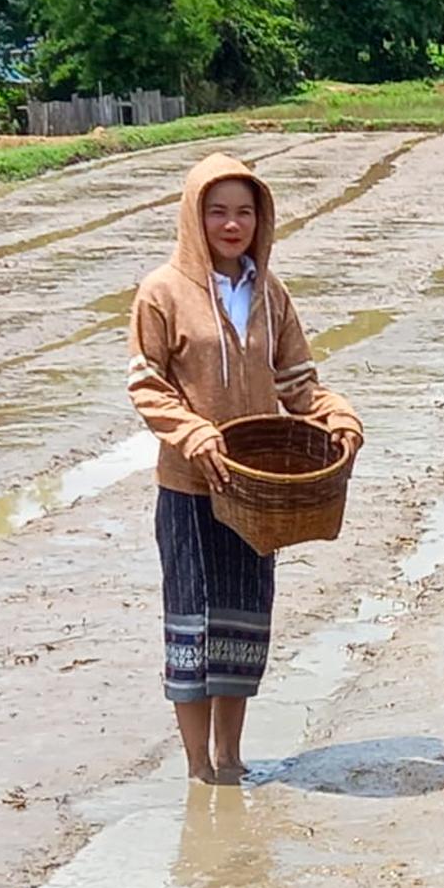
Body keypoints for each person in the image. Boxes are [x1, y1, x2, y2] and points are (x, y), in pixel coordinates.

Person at [128, 153, 364, 785]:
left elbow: (299, 384)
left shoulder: (269, 293)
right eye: (217, 211)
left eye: (244, 212)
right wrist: (195, 433)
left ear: (261, 220)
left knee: (242, 623)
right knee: (193, 624)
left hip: (256, 493)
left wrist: (339, 416)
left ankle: (231, 761)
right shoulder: (163, 293)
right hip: (190, 487)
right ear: (194, 218)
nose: (231, 225)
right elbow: (148, 386)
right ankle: (197, 767)